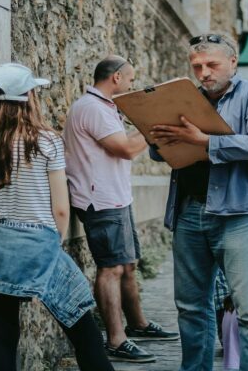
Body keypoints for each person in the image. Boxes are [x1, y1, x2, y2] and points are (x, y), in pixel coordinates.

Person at [0, 63, 113, 371]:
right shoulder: (47, 141)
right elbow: (61, 209)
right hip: (41, 241)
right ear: (28, 96)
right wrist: (53, 242)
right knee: (82, 327)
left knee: (3, 335)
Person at [149, 33, 248, 370]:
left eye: (212, 64)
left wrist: (206, 141)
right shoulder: (184, 98)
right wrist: (159, 136)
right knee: (191, 309)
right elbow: (159, 152)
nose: (204, 72)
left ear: (232, 62)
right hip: (189, 211)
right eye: (197, 66)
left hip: (242, 215)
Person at [64, 55, 177, 363]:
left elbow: (120, 145)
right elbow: (125, 149)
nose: (131, 84)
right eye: (129, 78)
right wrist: (153, 127)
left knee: (128, 265)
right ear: (115, 78)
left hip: (117, 197)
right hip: (100, 200)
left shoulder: (105, 107)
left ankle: (138, 325)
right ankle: (116, 340)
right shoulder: (92, 108)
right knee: (111, 268)